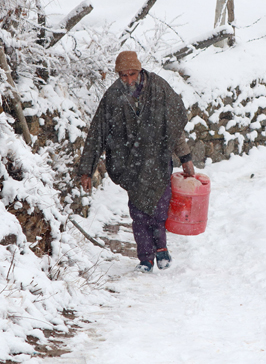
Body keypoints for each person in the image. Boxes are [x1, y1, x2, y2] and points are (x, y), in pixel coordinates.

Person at [76, 50, 195, 273]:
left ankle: (161, 249)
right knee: (138, 212)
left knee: (159, 207)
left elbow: (174, 128)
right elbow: (97, 133)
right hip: (131, 163)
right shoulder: (113, 97)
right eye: (123, 75)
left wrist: (185, 157)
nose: (129, 80)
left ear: (139, 71)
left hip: (158, 158)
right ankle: (145, 259)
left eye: (132, 74)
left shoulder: (159, 88)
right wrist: (86, 170)